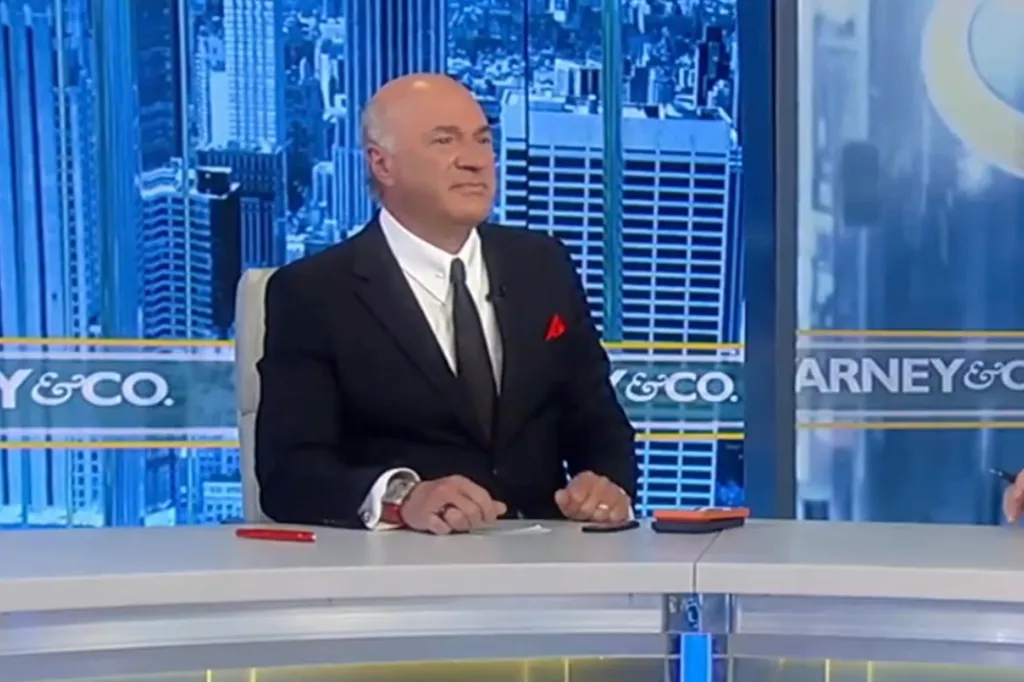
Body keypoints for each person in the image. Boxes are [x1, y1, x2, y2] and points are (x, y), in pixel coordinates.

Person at [254, 73, 637, 534]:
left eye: (482, 140)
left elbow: (598, 421)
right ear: (382, 164)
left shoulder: (542, 264)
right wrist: (402, 498)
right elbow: (288, 473)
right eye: (444, 141)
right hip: (409, 562)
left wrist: (605, 482)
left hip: (546, 554)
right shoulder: (313, 292)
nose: (475, 161)